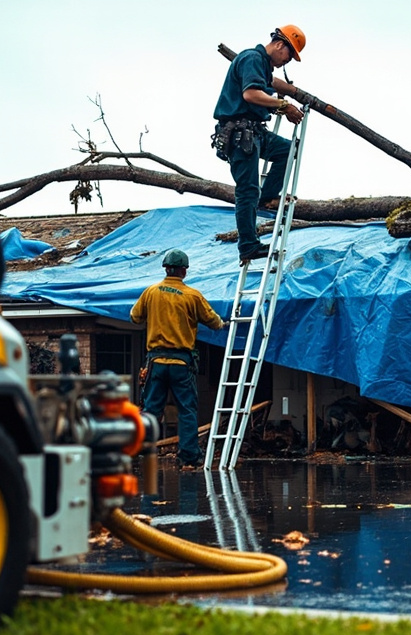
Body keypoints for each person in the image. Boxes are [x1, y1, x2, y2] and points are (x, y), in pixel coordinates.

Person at [212, 25, 307, 263]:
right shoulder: (253, 58)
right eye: (289, 56)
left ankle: (266, 197)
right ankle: (248, 246)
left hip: (254, 131)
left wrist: (296, 92)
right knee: (247, 190)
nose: (287, 62)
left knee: (287, 149)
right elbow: (251, 94)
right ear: (279, 45)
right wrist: (283, 106)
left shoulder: (261, 66)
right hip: (239, 133)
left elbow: (272, 83)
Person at [130, 248, 225, 467]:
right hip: (182, 363)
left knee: (152, 409)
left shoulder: (151, 292)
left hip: (156, 362)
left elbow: (135, 318)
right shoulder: (192, 296)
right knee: (187, 410)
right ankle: (189, 457)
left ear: (165, 268)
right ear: (184, 270)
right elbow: (213, 321)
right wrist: (222, 323)